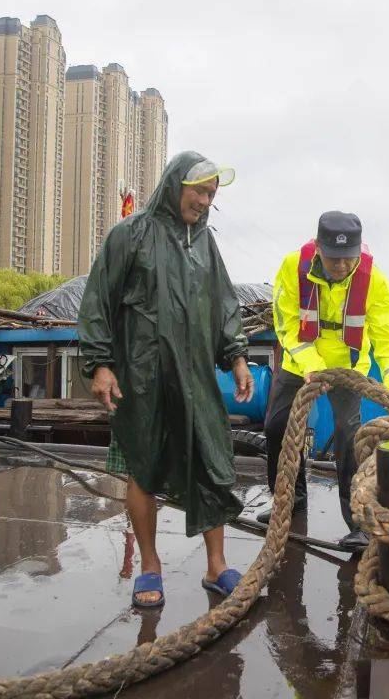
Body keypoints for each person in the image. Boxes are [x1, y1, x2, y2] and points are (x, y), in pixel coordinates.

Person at [78, 150, 254, 608]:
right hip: (142, 377)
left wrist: (235, 357)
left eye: (212, 195)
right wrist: (100, 363)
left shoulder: (205, 244)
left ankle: (217, 566)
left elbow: (224, 305)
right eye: (199, 190)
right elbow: (97, 301)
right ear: (175, 184)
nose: (205, 201)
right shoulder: (130, 234)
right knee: (144, 467)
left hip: (195, 378)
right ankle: (150, 567)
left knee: (212, 465)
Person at [262, 211, 389, 550]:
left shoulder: (374, 280)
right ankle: (288, 499)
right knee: (276, 426)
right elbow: (285, 323)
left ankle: (358, 522)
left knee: (349, 437)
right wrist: (311, 366)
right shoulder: (292, 267)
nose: (342, 266)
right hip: (299, 361)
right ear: (317, 248)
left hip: (348, 367)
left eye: (349, 259)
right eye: (334, 259)